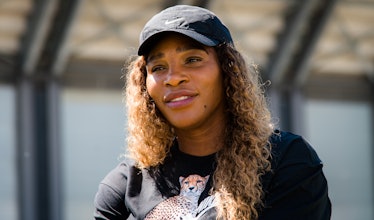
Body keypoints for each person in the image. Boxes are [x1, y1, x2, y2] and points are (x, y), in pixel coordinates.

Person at [94, 5, 331, 220]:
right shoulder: (125, 185)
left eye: (193, 59)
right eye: (158, 67)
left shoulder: (286, 161)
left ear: (228, 71)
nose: (174, 78)